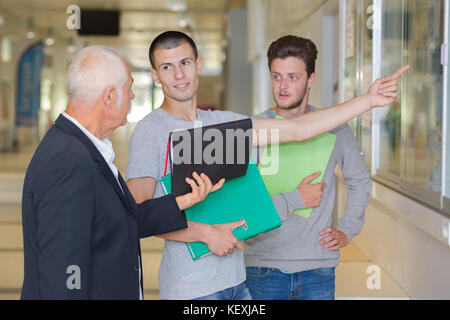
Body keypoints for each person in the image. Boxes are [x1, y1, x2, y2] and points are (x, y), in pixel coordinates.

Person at [125, 31, 407, 300]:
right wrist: (206, 233)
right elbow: (139, 212)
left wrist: (368, 100)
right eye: (167, 67)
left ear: (198, 64)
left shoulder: (224, 125)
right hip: (192, 287)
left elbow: (297, 129)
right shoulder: (151, 131)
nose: (179, 75)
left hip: (236, 281)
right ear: (155, 75)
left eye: (185, 63)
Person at [20, 45, 223, 300]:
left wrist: (184, 200)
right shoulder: (68, 161)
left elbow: (120, 219)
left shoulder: (85, 148)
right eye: (128, 88)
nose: (132, 96)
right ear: (109, 97)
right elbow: (63, 274)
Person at [244, 35, 374, 300]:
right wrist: (295, 198)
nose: (282, 86)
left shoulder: (334, 125)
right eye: (276, 76)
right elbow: (243, 201)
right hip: (263, 266)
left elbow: (359, 180)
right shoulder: (254, 129)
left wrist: (347, 229)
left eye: (293, 77)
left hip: (318, 268)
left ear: (310, 79)